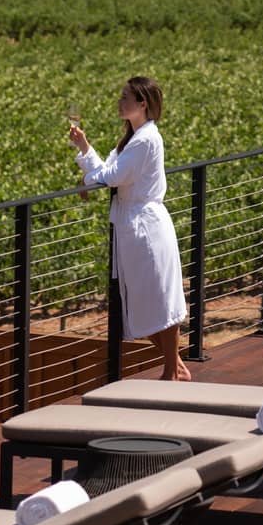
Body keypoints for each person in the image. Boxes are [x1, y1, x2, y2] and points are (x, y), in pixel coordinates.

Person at [68, 76, 190, 381]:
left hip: (146, 226)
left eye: (125, 97)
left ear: (142, 104)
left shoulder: (147, 139)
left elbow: (112, 176)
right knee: (140, 299)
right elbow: (107, 170)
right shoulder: (132, 139)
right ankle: (175, 367)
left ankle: (170, 372)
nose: (119, 102)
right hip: (133, 227)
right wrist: (84, 147)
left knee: (160, 298)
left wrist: (85, 182)